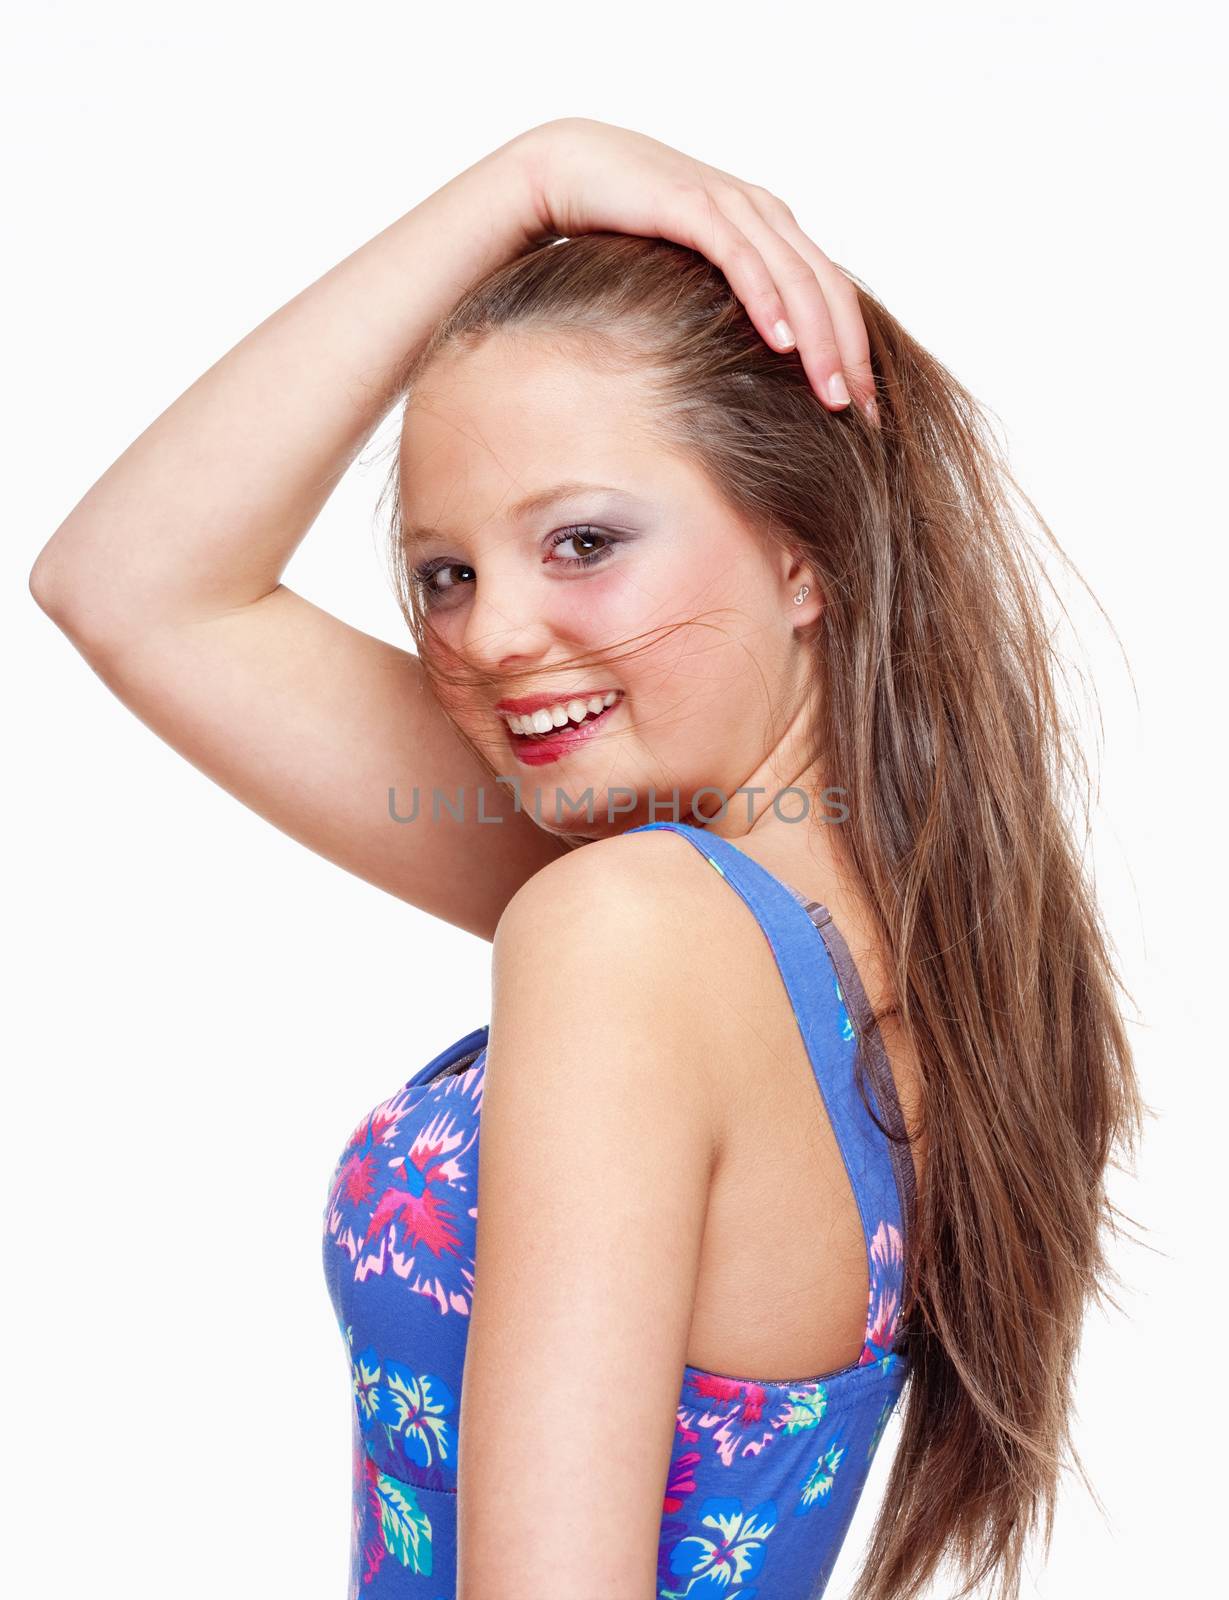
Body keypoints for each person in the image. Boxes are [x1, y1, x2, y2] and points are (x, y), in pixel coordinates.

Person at [29, 117, 1145, 1600]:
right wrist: (523, 180)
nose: (489, 637)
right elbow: (127, 587)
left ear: (800, 553)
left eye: (580, 544)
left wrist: (527, 178)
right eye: (445, 573)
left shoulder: (632, 930)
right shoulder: (837, 927)